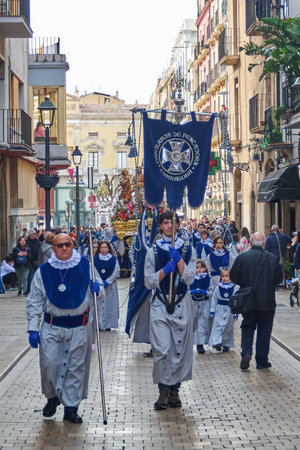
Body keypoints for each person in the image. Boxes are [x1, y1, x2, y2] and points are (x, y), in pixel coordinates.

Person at [26, 233, 104, 423]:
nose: (64, 248)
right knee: (49, 364)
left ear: (73, 245)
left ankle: (71, 408)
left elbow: (99, 292)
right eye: (59, 245)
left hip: (79, 326)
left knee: (76, 368)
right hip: (53, 326)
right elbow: (35, 300)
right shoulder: (43, 271)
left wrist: (97, 288)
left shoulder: (86, 264)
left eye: (67, 244)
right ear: (53, 248)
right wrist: (33, 328)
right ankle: (52, 397)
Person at [144, 210, 196, 410]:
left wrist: (179, 262)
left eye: (172, 223)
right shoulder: (153, 252)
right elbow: (148, 282)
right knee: (162, 348)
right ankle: (163, 390)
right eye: (165, 223)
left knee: (179, 349)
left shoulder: (188, 250)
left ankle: (175, 389)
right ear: (160, 226)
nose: (169, 226)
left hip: (182, 303)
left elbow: (190, 278)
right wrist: (165, 271)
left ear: (178, 225)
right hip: (160, 303)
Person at [230, 232, 282, 370]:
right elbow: (279, 278)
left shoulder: (242, 257)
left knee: (247, 327)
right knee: (264, 331)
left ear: (250, 243)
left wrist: (245, 284)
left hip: (248, 300)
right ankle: (262, 359)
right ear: (264, 244)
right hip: (267, 301)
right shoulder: (272, 258)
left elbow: (233, 276)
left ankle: (246, 352)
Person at [208, 269, 239, 352]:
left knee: (228, 328)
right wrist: (212, 311)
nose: (225, 278)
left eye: (227, 276)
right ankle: (216, 343)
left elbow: (236, 300)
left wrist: (236, 311)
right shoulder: (218, 287)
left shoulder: (234, 288)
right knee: (217, 326)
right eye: (223, 276)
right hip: (220, 309)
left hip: (229, 310)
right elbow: (214, 299)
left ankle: (226, 344)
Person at [94, 241, 120, 331]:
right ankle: (100, 324)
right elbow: (94, 271)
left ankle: (108, 324)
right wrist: (100, 282)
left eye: (105, 247)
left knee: (110, 304)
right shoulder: (95, 259)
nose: (104, 249)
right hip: (99, 286)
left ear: (109, 249)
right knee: (99, 304)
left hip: (110, 286)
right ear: (99, 249)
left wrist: (107, 281)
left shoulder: (113, 259)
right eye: (102, 247)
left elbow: (116, 271)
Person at [190, 259, 212, 354]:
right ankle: (191, 343)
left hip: (204, 303)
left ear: (205, 268)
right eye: (197, 267)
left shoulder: (207, 279)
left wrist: (206, 292)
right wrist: (191, 292)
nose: (199, 269)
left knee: (202, 323)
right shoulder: (191, 279)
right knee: (194, 322)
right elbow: (186, 291)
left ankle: (200, 344)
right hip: (194, 303)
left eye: (201, 267)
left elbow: (212, 291)